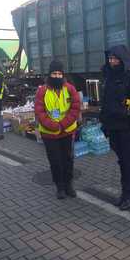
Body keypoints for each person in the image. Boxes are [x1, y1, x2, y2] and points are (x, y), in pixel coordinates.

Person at [99, 45, 130, 211]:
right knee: (122, 162)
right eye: (110, 58)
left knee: (129, 163)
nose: (112, 61)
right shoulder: (108, 76)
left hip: (126, 128)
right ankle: (124, 194)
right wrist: (104, 123)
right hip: (113, 127)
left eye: (115, 58)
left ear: (122, 59)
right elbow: (104, 102)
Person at [35, 60, 80, 199]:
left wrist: (63, 124)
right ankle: (59, 187)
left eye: (59, 73)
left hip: (67, 131)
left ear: (63, 74)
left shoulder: (70, 88)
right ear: (50, 74)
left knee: (68, 159)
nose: (57, 76)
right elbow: (39, 111)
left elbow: (75, 108)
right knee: (55, 161)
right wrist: (54, 126)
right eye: (54, 73)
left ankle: (68, 185)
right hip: (49, 133)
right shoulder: (42, 91)